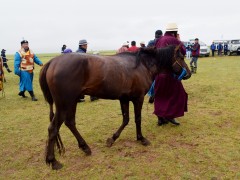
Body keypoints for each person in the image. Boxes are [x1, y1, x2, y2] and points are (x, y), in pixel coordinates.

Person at [154, 23, 188, 126]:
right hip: (170, 74)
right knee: (178, 95)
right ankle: (170, 116)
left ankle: (160, 118)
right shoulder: (175, 40)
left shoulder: (160, 39)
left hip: (158, 73)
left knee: (160, 96)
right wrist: (179, 40)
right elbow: (183, 52)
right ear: (175, 32)